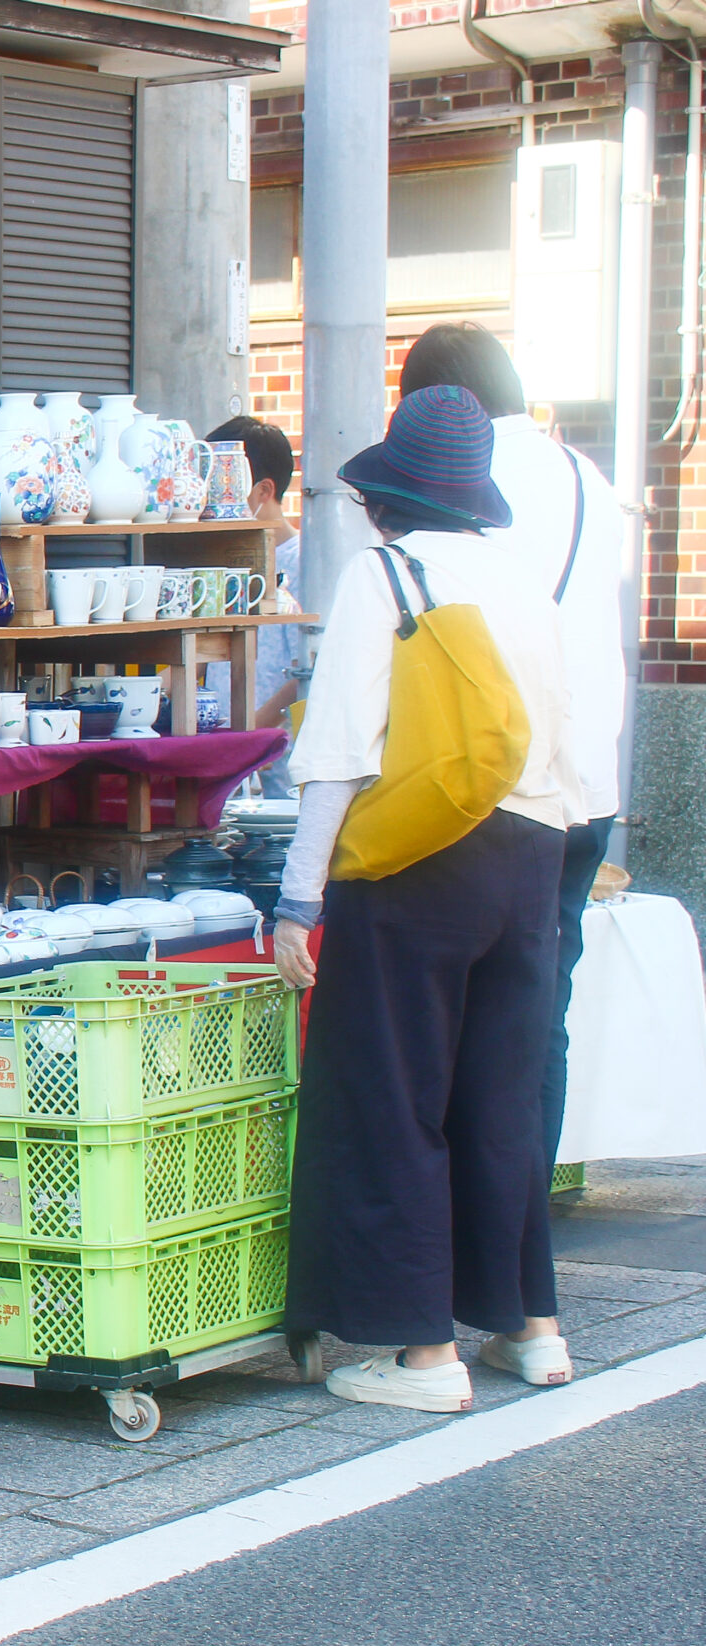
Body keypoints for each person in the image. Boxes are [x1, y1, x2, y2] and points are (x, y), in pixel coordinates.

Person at [273, 385, 582, 1413]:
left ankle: (423, 1355)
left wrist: (298, 897)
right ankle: (531, 1328)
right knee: (501, 1100)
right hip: (532, 854)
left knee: (393, 1097)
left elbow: (338, 748)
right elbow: (563, 739)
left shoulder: (385, 574)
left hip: (418, 864)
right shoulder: (522, 578)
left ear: (386, 497)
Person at [396, 322, 625, 1230]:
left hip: (498, 788)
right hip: (588, 781)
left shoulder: (473, 484)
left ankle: (469, 1235)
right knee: (539, 1012)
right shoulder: (588, 477)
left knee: (457, 1017)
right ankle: (521, 1234)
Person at [202, 415, 307, 729]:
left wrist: (252, 734)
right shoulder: (220, 559)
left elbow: (307, 668)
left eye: (222, 487)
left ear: (264, 490)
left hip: (273, 749)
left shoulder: (303, 563)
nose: (209, 501)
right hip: (227, 742)